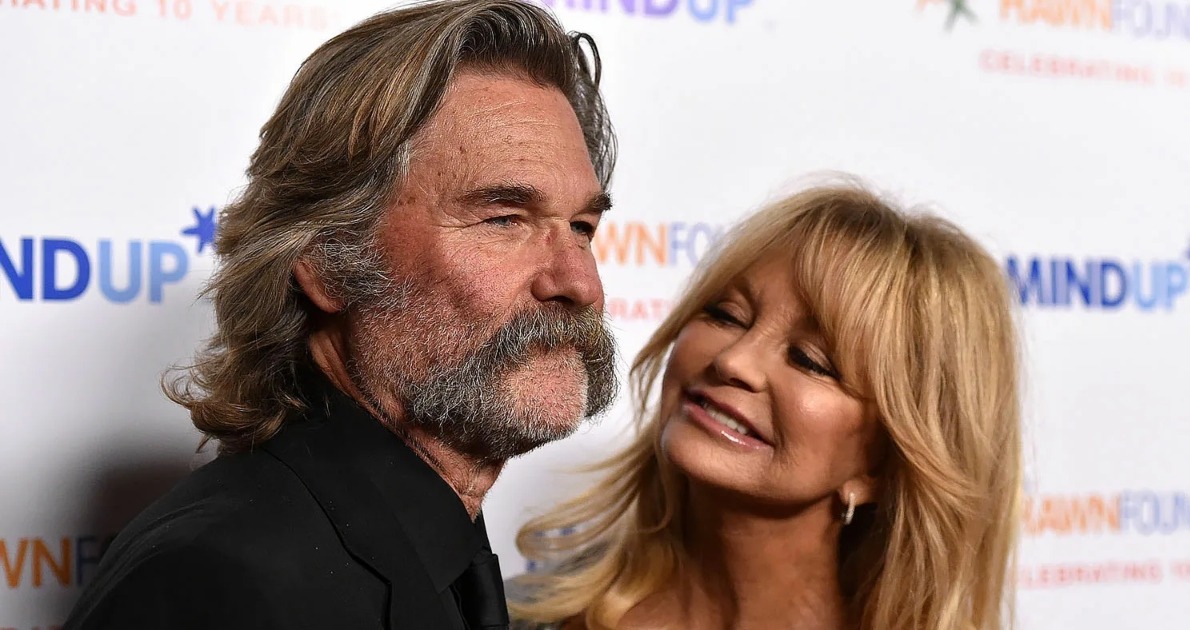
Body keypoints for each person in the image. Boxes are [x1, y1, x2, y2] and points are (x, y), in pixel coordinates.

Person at [65, 1, 618, 628]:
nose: (579, 283)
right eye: (504, 219)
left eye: (582, 226)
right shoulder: (221, 581)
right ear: (329, 259)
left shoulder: (430, 545)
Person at [510, 183, 1022, 630]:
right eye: (726, 315)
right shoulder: (512, 614)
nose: (734, 361)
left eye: (811, 360)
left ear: (883, 464)